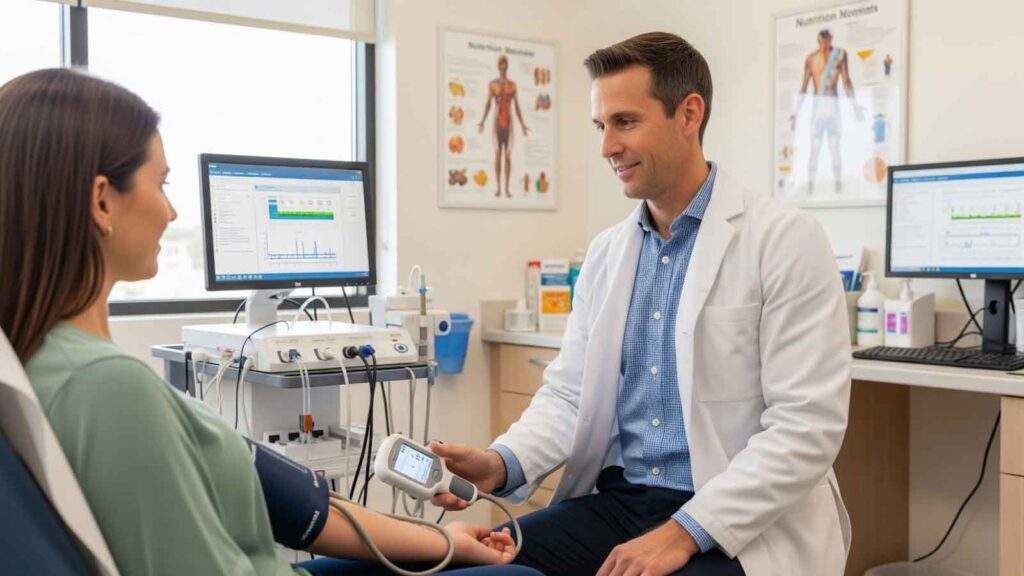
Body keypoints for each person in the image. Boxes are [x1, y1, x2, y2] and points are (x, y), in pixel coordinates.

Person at [0, 68, 540, 576]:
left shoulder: (41, 358)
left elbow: (301, 509)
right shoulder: (106, 387)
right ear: (102, 201)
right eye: (161, 184)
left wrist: (447, 543)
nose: (171, 212)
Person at [431, 32, 852, 576]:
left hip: (739, 520)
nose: (607, 146)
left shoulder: (785, 238)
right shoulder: (609, 253)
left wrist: (681, 534)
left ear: (689, 114)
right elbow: (569, 395)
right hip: (620, 504)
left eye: (625, 122)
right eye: (600, 126)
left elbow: (806, 427)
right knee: (467, 563)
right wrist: (498, 463)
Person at [794, 29, 863, 193]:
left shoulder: (839, 55)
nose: (825, 44)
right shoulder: (811, 59)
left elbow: (846, 81)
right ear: (819, 40)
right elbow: (804, 87)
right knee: (815, 150)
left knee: (834, 149)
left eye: (827, 40)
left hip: (831, 108)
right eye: (823, 40)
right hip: (819, 110)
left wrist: (855, 106)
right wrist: (796, 113)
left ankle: (838, 191)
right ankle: (810, 190)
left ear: (831, 39)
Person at [478, 54, 529, 198]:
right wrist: (482, 120)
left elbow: (517, 106)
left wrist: (522, 124)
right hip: (497, 122)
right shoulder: (493, 84)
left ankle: (506, 189)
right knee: (497, 154)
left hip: (509, 123)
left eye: (505, 64)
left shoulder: (512, 85)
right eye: (501, 64)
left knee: (507, 156)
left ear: (507, 66)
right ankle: (498, 188)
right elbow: (488, 103)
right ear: (498, 66)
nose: (503, 66)